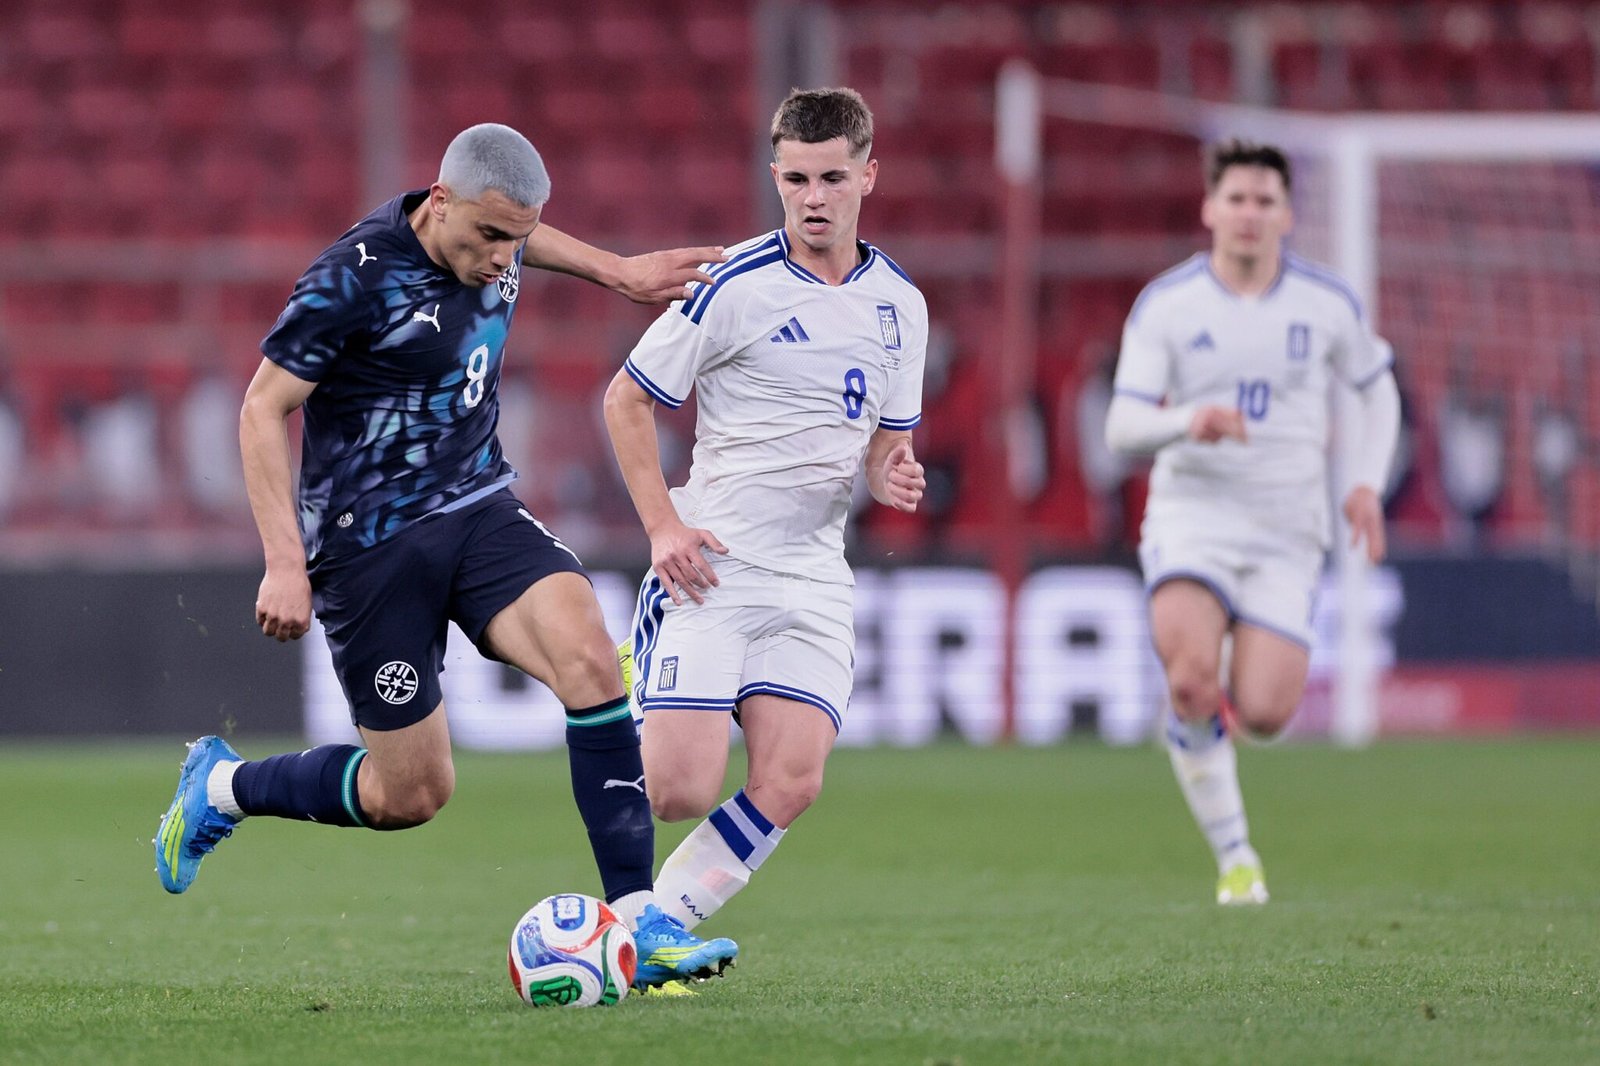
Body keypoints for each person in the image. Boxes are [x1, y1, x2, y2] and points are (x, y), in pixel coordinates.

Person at [153, 123, 737, 990]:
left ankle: (640, 921)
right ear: (440, 202)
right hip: (368, 548)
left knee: (588, 658)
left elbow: (521, 230)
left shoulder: (495, 234)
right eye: (492, 237)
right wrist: (284, 561)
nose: (507, 260)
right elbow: (259, 409)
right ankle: (224, 788)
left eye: (521, 238)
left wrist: (616, 270)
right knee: (412, 796)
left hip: (477, 506)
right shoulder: (352, 280)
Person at [604, 88, 926, 932]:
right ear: (774, 176)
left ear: (868, 175)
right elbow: (626, 402)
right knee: (677, 792)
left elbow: (885, 444)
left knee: (793, 781)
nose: (813, 198)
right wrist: (663, 528)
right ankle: (636, 663)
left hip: (816, 573)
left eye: (831, 178)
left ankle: (654, 927)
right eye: (796, 179)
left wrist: (893, 475)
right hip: (718, 562)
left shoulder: (901, 306)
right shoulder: (735, 283)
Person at [1105, 139, 1401, 905]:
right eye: (1235, 198)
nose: (1249, 214)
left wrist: (1366, 484)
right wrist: (1186, 423)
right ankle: (1237, 858)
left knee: (1266, 711)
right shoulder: (1168, 305)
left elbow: (1379, 391)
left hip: (1286, 528)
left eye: (1265, 201)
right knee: (1193, 681)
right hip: (1193, 515)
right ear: (1209, 208)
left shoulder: (1326, 304)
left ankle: (1216, 743)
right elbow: (1122, 427)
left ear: (1288, 214)